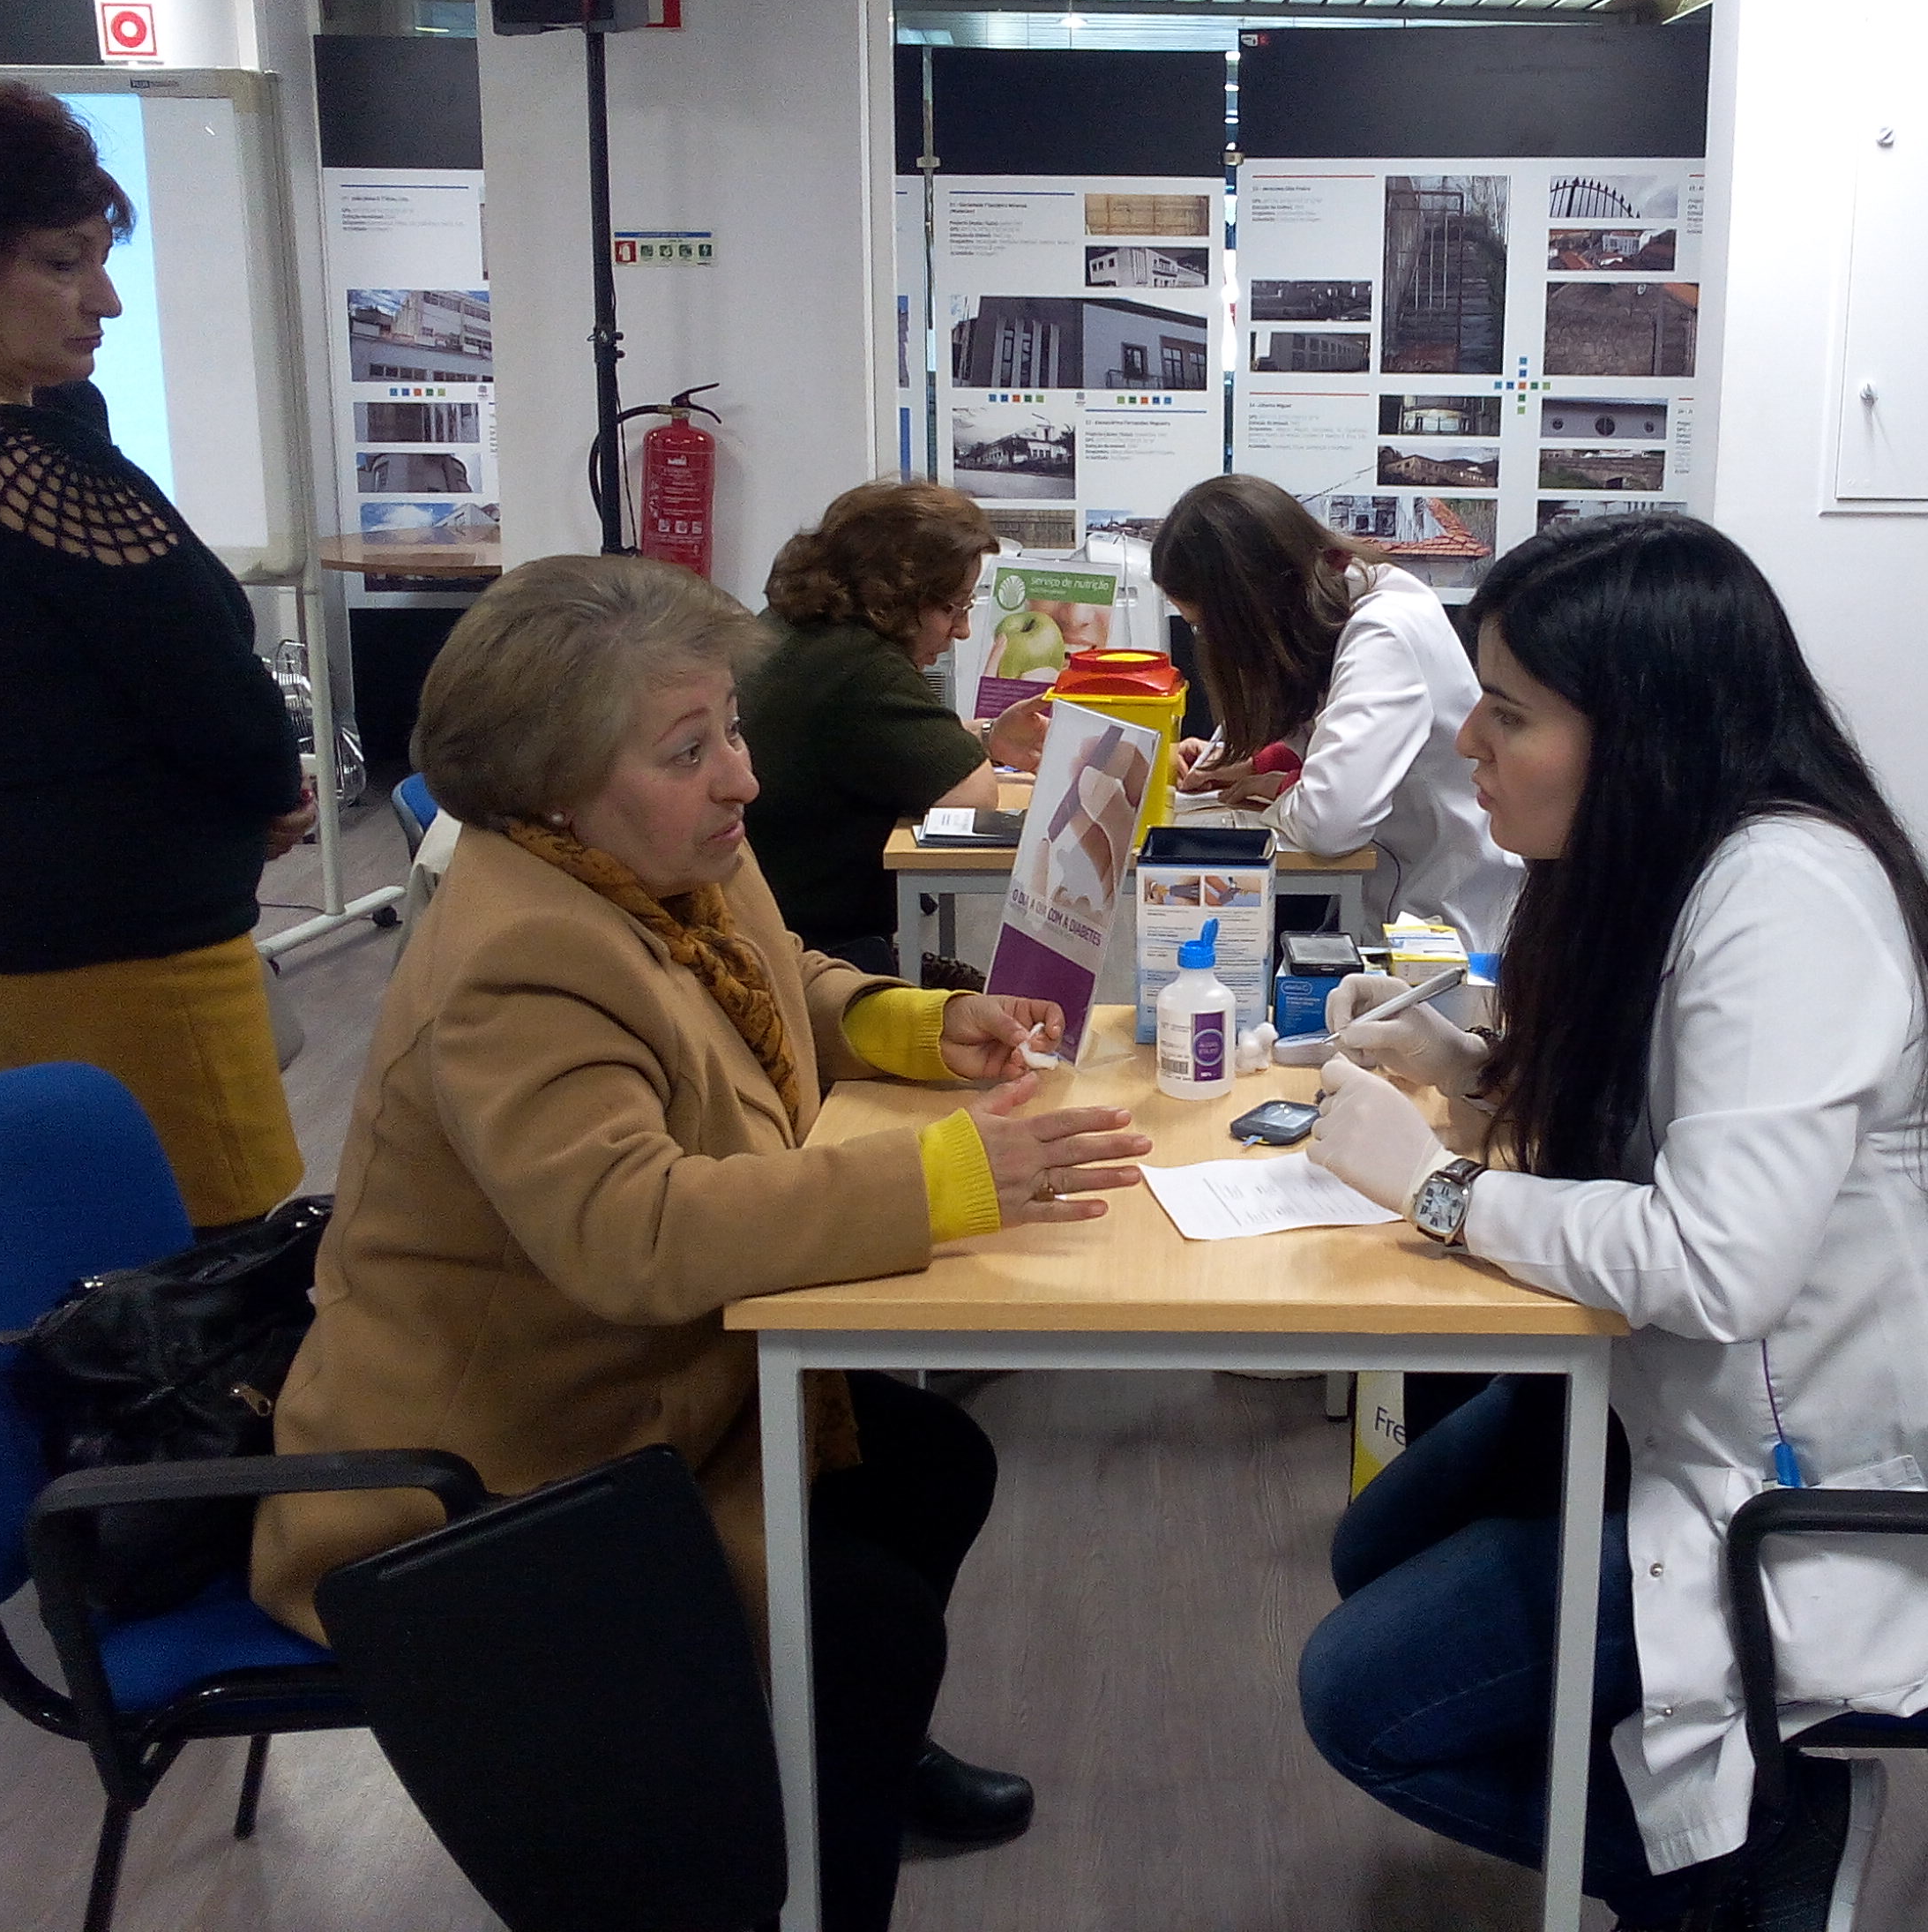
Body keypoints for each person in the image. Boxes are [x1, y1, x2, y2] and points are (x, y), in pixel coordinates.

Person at [252, 555, 1151, 1931]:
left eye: (729, 727)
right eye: (691, 749)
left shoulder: (658, 859)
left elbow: (780, 981)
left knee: (928, 1468)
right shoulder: (521, 954)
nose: (740, 775)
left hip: (643, 1394)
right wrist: (951, 1179)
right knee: (865, 1620)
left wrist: (912, 1024)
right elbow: (635, 1232)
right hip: (496, 1476)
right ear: (549, 781)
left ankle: (838, 1765)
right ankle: (804, 1858)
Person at [1293, 513, 1928, 1929]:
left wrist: (1438, 1188)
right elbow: (1668, 1124)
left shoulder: (1785, 897)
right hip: (1683, 1398)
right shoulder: (1668, 863)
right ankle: (1686, 1795)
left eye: (1514, 710)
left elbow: (1713, 1265)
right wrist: (1464, 1072)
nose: (1470, 738)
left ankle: (1747, 1858)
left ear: (1642, 729)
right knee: (1375, 1547)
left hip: (1835, 1486)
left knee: (1361, 1700)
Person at [0, 69, 315, 1223]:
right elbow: (196, 667)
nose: (104, 301)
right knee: (213, 1265)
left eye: (99, 257)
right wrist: (263, 788)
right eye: (58, 262)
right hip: (111, 926)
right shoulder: (13, 463)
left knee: (89, 1245)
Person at [1149, 473, 1521, 955]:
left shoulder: (1383, 632)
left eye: (1205, 626)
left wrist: (1279, 788)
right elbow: (1335, 727)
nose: (1208, 643)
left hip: (1445, 926)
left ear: (1250, 610)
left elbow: (1330, 822)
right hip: (1391, 905)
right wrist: (1259, 759)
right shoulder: (1342, 600)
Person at [739, 477, 1056, 973]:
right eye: (954, 606)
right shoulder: (861, 666)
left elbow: (876, 750)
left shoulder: (797, 629)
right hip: (815, 955)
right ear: (897, 596)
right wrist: (977, 753)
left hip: (768, 927)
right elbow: (973, 797)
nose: (963, 629)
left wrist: (991, 737)